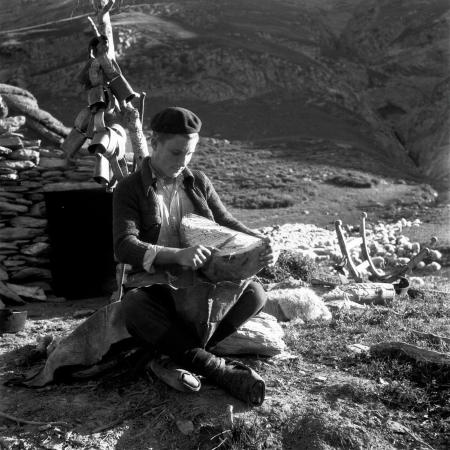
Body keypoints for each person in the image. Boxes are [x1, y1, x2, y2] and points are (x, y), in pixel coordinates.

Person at [113, 106, 277, 405]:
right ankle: (217, 368)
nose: (182, 162)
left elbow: (226, 223)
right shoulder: (129, 189)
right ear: (154, 143)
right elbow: (124, 245)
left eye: (189, 154)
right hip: (156, 286)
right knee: (134, 306)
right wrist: (177, 255)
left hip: (200, 283)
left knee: (255, 294)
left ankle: (171, 354)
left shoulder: (198, 181)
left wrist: (260, 244)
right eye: (176, 153)